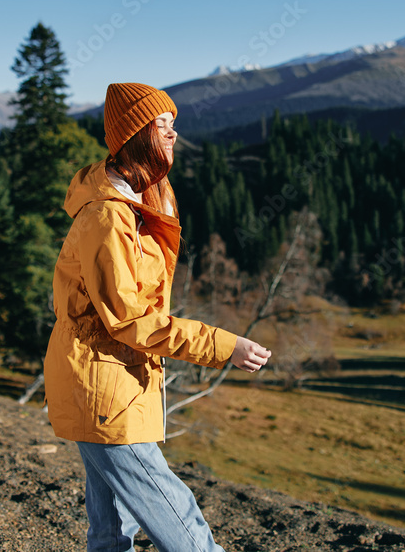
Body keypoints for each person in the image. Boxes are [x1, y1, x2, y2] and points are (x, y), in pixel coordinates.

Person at [44, 82, 272, 552]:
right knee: (177, 515)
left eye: (173, 125)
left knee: (110, 528)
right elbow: (128, 319)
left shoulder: (138, 199)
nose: (171, 135)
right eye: (161, 125)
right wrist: (225, 346)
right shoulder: (108, 218)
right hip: (106, 391)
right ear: (135, 135)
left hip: (115, 383)